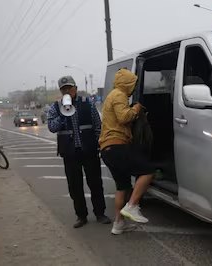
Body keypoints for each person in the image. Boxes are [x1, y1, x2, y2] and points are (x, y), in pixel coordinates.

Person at [47, 75, 111, 228]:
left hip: (89, 151)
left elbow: (97, 124)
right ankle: (81, 216)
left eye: (69, 88)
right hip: (69, 154)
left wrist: (97, 144)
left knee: (95, 183)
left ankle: (100, 213)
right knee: (74, 186)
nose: (67, 91)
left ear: (75, 88)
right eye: (64, 89)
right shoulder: (55, 107)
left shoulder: (87, 103)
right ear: (61, 91)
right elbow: (52, 127)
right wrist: (63, 114)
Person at [99, 69, 155, 235]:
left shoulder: (112, 95)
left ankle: (118, 224)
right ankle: (132, 206)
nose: (133, 86)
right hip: (117, 146)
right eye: (133, 83)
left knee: (122, 186)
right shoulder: (119, 95)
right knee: (147, 171)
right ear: (127, 83)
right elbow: (124, 117)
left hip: (108, 149)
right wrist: (136, 108)